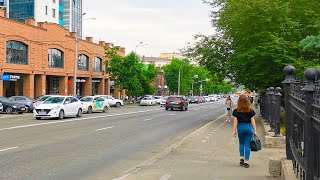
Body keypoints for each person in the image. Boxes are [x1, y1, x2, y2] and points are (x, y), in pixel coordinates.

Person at [232, 94, 257, 168]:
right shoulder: (250, 110)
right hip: (249, 128)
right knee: (247, 145)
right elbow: (253, 121)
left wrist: (234, 130)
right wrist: (255, 130)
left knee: (241, 143)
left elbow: (235, 121)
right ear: (247, 101)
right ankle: (246, 161)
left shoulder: (236, 111)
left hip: (241, 128)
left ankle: (241, 158)